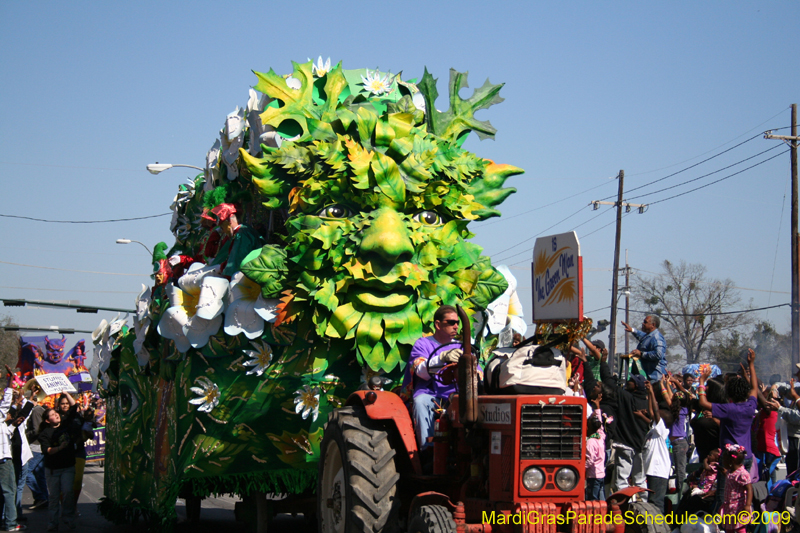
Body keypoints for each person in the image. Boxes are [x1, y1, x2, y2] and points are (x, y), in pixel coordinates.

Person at [697, 348, 759, 514]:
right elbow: (754, 388)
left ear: (729, 394)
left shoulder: (728, 409)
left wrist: (702, 380)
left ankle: (724, 525)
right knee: (743, 493)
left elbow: (703, 403)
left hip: (730, 460)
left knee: (724, 495)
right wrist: (751, 365)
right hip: (746, 457)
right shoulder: (750, 406)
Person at [404, 305, 464, 452]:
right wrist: (442, 358)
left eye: (457, 323)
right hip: (430, 396)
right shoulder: (422, 344)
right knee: (420, 402)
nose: (455, 326)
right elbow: (420, 371)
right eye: (450, 322)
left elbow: (478, 374)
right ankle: (427, 451)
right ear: (438, 325)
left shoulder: (462, 347)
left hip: (455, 396)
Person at [38, 391, 78, 531]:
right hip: (53, 469)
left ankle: (68, 517)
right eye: (53, 415)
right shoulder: (45, 433)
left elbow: (74, 408)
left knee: (67, 492)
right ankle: (52, 522)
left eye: (56, 413)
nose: (56, 415)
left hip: (68, 466)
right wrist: (60, 447)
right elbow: (47, 450)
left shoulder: (66, 424)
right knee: (54, 497)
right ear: (48, 421)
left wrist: (66, 393)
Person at [611, 374, 650, 493]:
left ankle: (623, 506)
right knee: (640, 479)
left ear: (636, 386)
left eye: (631, 381)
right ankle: (643, 505)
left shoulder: (626, 398)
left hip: (626, 444)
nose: (628, 382)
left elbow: (611, 386)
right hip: (641, 446)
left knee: (622, 478)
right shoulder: (647, 403)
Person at [638, 380, 671, 513]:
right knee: (651, 502)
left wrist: (652, 391)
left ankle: (659, 528)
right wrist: (649, 394)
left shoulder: (662, 430)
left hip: (658, 471)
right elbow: (652, 412)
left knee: (656, 503)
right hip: (651, 471)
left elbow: (656, 413)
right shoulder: (653, 430)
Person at [0, 376, 25, 531]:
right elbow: (5, 404)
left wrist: (13, 425)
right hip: (3, 459)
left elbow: (4, 433)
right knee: (10, 491)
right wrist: (10, 382)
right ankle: (10, 524)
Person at [718, 443, 752, 533]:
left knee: (739, 527)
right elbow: (729, 476)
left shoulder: (742, 473)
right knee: (729, 528)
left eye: (724, 459)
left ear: (731, 460)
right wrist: (719, 468)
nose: (723, 461)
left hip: (738, 507)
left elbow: (749, 489)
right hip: (729, 506)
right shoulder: (730, 471)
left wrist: (748, 505)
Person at [621, 316, 667, 382]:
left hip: (655, 377)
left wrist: (641, 354)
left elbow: (658, 354)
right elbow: (641, 335)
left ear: (653, 325)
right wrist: (632, 330)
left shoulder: (657, 338)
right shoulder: (648, 336)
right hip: (647, 376)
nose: (643, 323)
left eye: (645, 322)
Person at [24, 397, 48, 510]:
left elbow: (37, 429)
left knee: (26, 472)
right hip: (39, 446)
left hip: (36, 446)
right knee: (39, 474)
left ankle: (39, 496)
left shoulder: (36, 411)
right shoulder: (38, 410)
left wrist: (25, 434)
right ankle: (44, 499)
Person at [585, 394, 605, 501]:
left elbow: (590, 460)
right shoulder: (601, 436)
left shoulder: (591, 442)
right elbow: (600, 425)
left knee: (593, 499)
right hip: (601, 473)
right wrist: (597, 408)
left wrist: (581, 468)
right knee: (601, 498)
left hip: (593, 475)